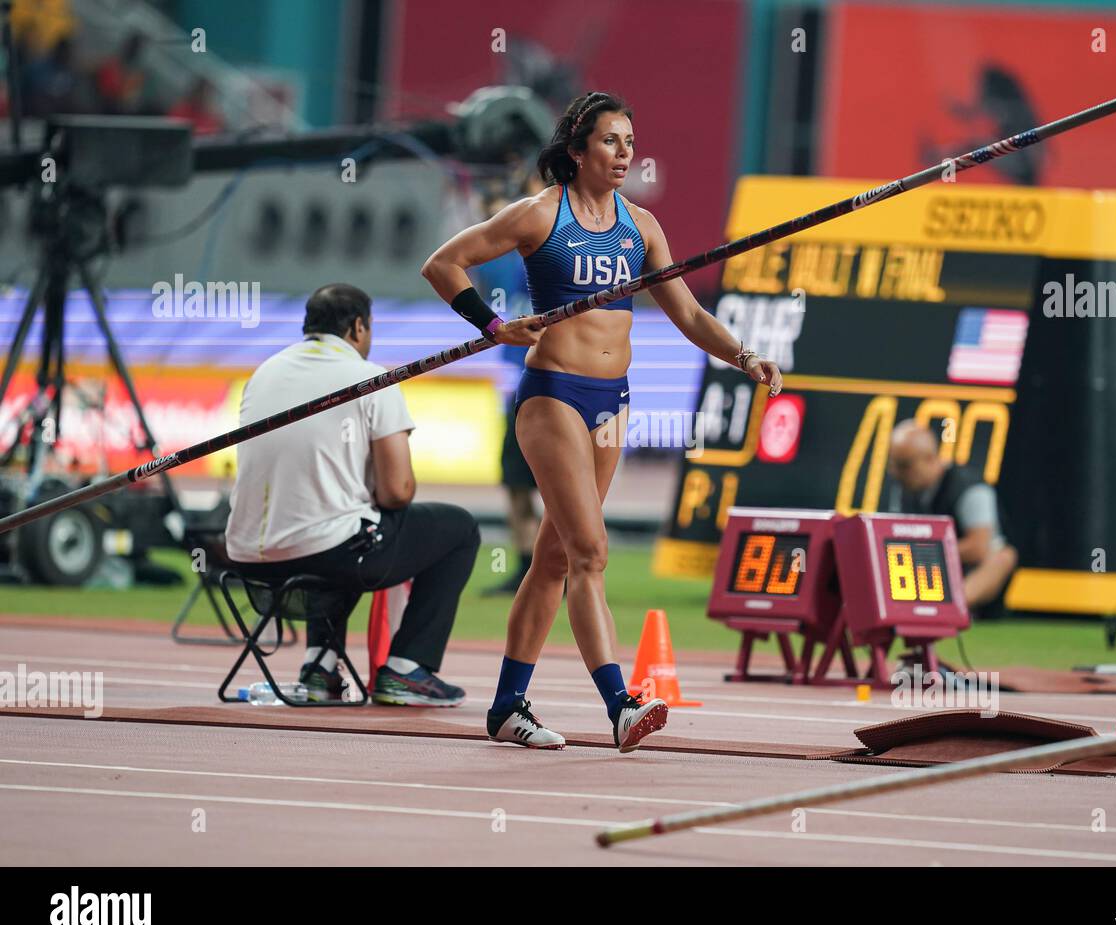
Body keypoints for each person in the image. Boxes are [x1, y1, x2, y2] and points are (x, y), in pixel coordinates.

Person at [422, 91, 783, 751]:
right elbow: (442, 264)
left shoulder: (640, 226)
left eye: (630, 144)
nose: (625, 155)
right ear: (579, 148)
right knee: (591, 551)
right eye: (612, 142)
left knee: (555, 558)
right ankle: (620, 703)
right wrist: (495, 326)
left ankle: (507, 706)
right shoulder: (537, 215)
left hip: (613, 401)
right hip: (553, 394)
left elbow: (690, 315)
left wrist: (746, 356)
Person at [224, 284, 476, 706]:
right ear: (358, 327)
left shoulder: (263, 373)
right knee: (459, 530)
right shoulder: (370, 378)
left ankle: (320, 666)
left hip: (246, 558)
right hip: (326, 556)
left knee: (342, 516)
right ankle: (407, 669)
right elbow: (398, 491)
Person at [472, 175, 542, 597]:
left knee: (558, 488)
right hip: (518, 394)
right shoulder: (500, 262)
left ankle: (563, 567)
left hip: (555, 387)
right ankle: (525, 566)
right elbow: (477, 243)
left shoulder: (558, 252)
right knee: (515, 484)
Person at [886, 419, 1018, 612]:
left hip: (964, 574)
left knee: (1004, 556)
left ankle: (951, 608)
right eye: (894, 465)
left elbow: (978, 548)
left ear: (930, 459)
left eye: (904, 465)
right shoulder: (904, 490)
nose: (896, 473)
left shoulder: (970, 489)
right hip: (922, 573)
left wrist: (923, 552)